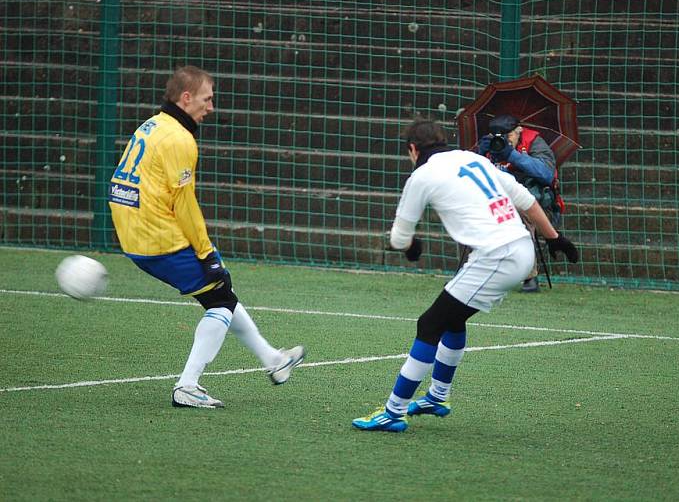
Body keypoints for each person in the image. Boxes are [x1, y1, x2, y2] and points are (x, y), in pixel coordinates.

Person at [352, 119, 578, 432]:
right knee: (452, 319)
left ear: (413, 150)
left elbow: (400, 240)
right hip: (519, 249)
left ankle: (393, 412)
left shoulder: (422, 175)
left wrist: (411, 247)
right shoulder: (474, 159)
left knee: (429, 324)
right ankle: (437, 397)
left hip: (497, 256)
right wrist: (555, 238)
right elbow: (526, 200)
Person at [108, 65, 304, 409]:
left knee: (221, 292)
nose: (210, 106)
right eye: (206, 98)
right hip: (159, 239)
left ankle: (274, 359)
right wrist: (207, 252)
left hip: (137, 232)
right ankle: (187, 386)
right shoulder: (180, 139)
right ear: (186, 98)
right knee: (220, 300)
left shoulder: (153, 125)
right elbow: (184, 205)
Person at [478, 114, 561, 293]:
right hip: (497, 205)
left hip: (539, 209)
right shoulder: (489, 146)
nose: (502, 141)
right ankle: (474, 274)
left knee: (518, 211)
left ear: (519, 131)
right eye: (497, 137)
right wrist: (479, 155)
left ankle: (529, 277)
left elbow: (547, 174)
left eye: (507, 136)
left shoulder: (535, 142)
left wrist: (512, 155)